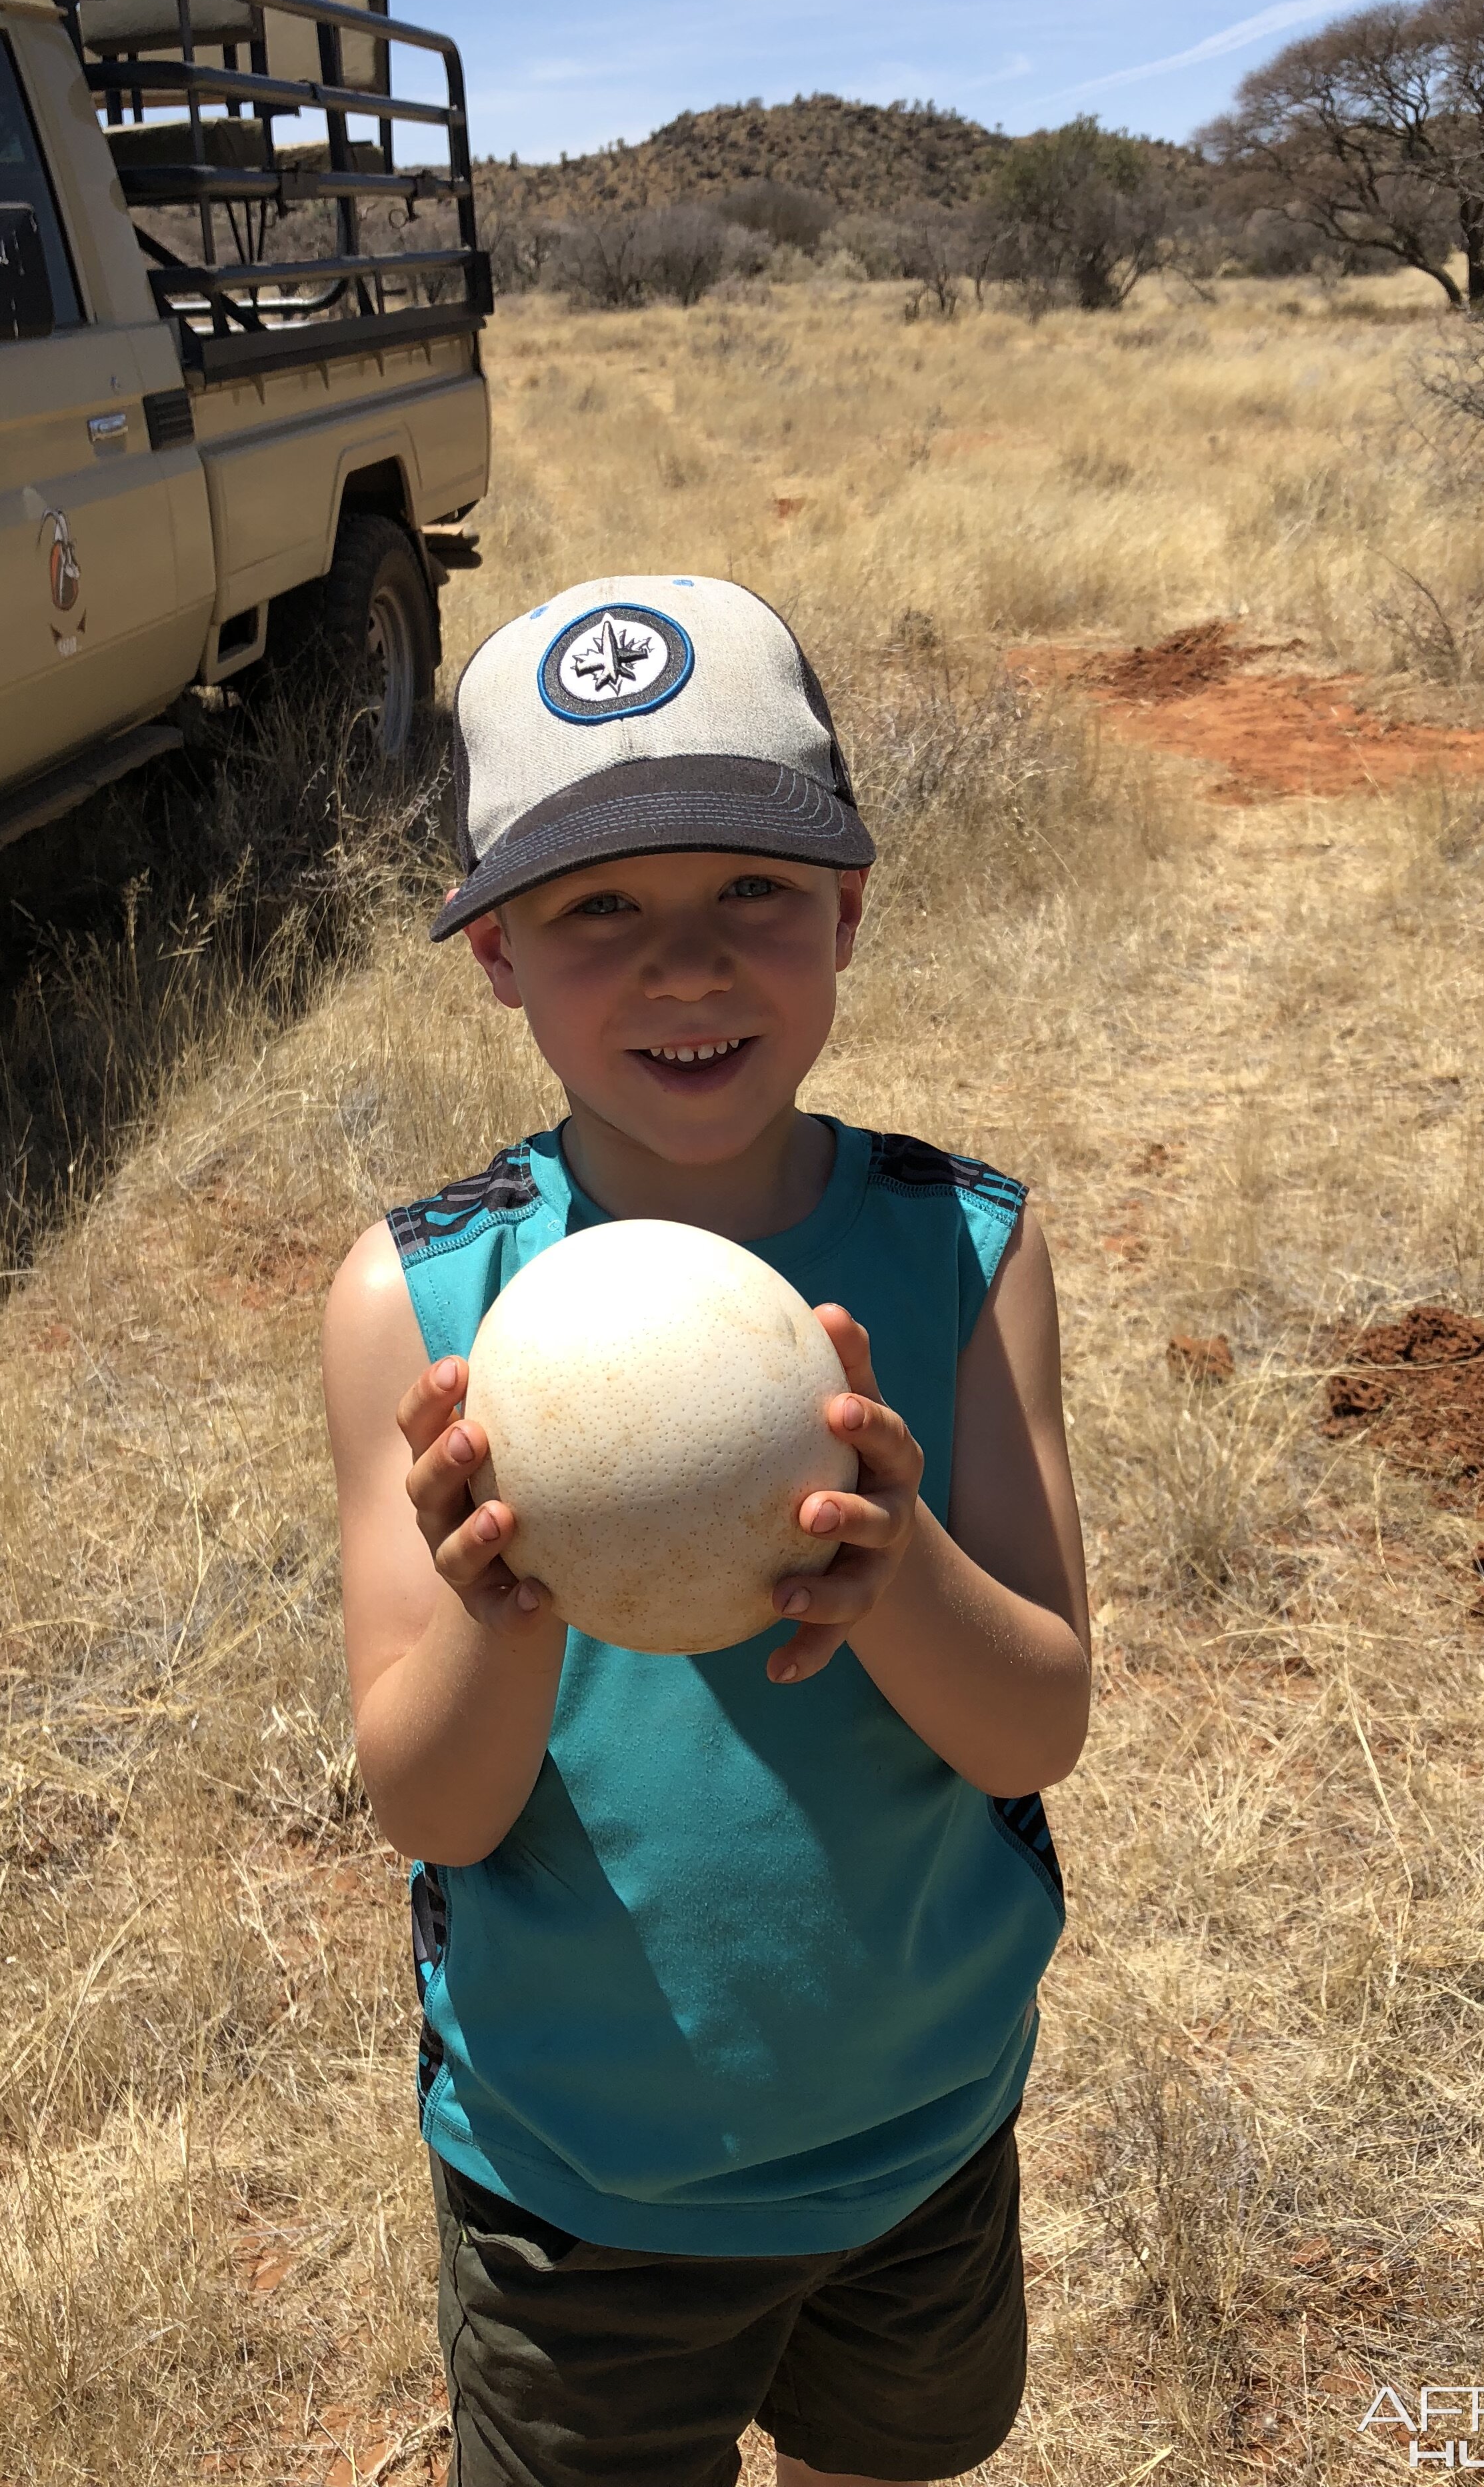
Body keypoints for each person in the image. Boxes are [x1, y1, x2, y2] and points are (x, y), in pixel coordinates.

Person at [322, 574, 1091, 2487]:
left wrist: (898, 1571)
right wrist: (505, 1611)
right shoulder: (422, 1304)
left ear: (845, 913)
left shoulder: (961, 1247)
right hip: (580, 2180)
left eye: (750, 888)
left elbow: (1038, 1730)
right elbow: (428, 1808)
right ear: (497, 953)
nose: (685, 966)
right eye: (598, 910)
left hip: (915, 2132)